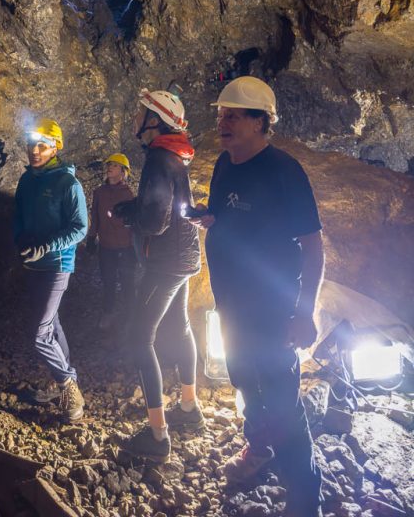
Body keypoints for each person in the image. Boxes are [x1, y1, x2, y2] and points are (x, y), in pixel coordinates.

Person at [193, 76, 324, 517]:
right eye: (221, 115)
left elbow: (312, 246)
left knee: (282, 399)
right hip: (231, 304)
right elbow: (225, 214)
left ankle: (305, 497)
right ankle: (260, 447)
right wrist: (208, 218)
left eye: (233, 116)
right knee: (244, 379)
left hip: (271, 311)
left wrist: (305, 313)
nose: (222, 122)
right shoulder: (224, 163)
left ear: (260, 122)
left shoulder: (285, 172)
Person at [114, 88, 203, 461]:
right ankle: (189, 408)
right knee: (179, 327)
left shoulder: (157, 159)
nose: (136, 118)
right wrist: (135, 206)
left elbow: (154, 222)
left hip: (165, 262)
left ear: (155, 120)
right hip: (185, 257)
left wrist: (130, 217)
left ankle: (157, 436)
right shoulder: (174, 157)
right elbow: (167, 203)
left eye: (141, 113)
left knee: (140, 338)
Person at [12, 118, 88, 422]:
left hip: (57, 265)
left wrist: (46, 246)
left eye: (42, 145)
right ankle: (64, 383)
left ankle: (69, 388)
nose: (35, 150)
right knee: (52, 324)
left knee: (39, 333)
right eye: (32, 144)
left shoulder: (68, 184)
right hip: (34, 264)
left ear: (55, 148)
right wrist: (21, 239)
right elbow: (18, 215)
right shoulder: (27, 180)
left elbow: (80, 227)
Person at [85, 153, 136, 331]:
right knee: (108, 282)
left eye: (114, 165)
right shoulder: (99, 192)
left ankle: (131, 317)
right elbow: (95, 216)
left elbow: (133, 222)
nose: (109, 168)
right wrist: (91, 237)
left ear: (123, 171)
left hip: (126, 247)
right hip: (106, 247)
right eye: (109, 165)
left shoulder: (128, 194)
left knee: (128, 282)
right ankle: (109, 313)